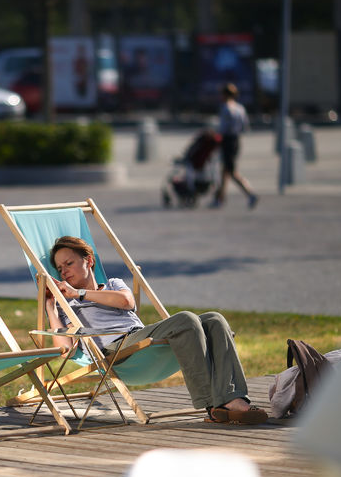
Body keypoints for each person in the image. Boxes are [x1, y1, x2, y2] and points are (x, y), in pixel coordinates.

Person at [43, 236, 268, 424]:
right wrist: (51, 307)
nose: (63, 272)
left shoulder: (113, 284)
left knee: (215, 320)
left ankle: (234, 398)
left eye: (69, 263)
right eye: (60, 268)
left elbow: (127, 302)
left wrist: (78, 293)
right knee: (186, 320)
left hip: (140, 339)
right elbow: (67, 349)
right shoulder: (68, 305)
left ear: (89, 261)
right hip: (119, 352)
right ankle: (212, 404)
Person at [211, 82, 258, 209]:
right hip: (236, 140)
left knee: (231, 172)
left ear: (225, 95)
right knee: (225, 171)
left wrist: (217, 137)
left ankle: (250, 193)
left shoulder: (225, 108)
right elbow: (245, 127)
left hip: (227, 141)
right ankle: (219, 199)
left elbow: (223, 128)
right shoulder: (240, 108)